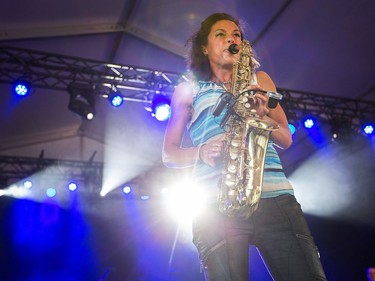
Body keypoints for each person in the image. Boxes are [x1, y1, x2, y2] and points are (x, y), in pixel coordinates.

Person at [162, 12, 327, 281]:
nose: (231, 39)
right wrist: (201, 151)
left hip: (274, 197)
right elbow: (169, 154)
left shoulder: (260, 80)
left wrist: (261, 115)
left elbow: (285, 138)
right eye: (221, 35)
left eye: (236, 35)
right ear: (204, 46)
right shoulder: (188, 89)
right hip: (216, 203)